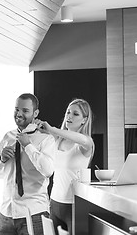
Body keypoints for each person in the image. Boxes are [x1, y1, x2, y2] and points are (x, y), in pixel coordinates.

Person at [0, 93, 55, 235]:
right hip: (6, 214)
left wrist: (28, 146)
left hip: (34, 214)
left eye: (25, 111)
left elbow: (48, 170)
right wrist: (1, 159)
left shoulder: (45, 139)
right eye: (16, 109)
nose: (19, 114)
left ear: (35, 113)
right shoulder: (8, 137)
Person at [35, 98, 95, 235]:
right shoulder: (58, 140)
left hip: (74, 205)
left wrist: (52, 130)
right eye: (68, 112)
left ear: (84, 120)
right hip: (55, 202)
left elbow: (82, 139)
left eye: (75, 114)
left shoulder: (86, 143)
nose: (69, 116)